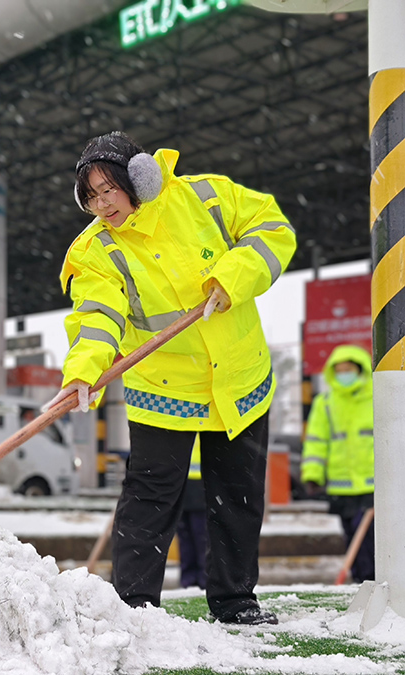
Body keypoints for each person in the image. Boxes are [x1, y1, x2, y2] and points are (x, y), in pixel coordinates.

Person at [45, 131, 296, 625]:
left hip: (238, 378)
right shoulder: (97, 250)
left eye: (109, 188)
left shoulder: (206, 196)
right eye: (91, 196)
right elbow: (97, 315)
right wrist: (83, 373)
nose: (102, 204)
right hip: (163, 388)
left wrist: (233, 277)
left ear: (136, 177)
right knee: (148, 499)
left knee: (237, 496)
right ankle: (134, 610)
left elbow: (273, 228)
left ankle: (235, 603)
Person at [302, 345, 375, 583]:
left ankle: (373, 579)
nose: (344, 375)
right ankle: (362, 579)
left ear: (360, 370)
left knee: (374, 537)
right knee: (352, 534)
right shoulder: (325, 403)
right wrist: (312, 474)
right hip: (342, 485)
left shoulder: (378, 397)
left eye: (349, 369)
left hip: (375, 484)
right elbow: (316, 442)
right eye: (340, 370)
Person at [177, 435, 208, 590]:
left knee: (199, 536)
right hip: (185, 485)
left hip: (199, 486)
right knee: (187, 536)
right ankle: (191, 579)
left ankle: (200, 579)